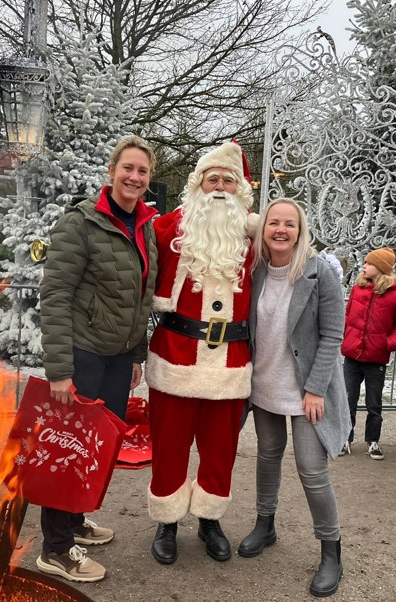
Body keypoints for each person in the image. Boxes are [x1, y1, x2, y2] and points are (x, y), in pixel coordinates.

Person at [37, 135, 158, 582]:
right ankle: (55, 549)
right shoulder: (81, 223)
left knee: (95, 448)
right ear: (112, 171)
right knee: (67, 449)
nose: (134, 177)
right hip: (83, 354)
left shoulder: (144, 226)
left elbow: (141, 296)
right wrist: (60, 371)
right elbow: (55, 295)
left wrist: (136, 354)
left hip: (118, 358)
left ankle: (72, 522)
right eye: (128, 168)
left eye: (142, 171)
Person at [146, 141, 256, 564]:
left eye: (228, 180)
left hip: (230, 363)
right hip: (175, 356)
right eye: (213, 179)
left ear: (239, 189)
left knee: (220, 451)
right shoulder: (167, 228)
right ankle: (168, 521)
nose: (220, 187)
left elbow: (296, 253)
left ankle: (210, 520)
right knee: (169, 446)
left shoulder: (255, 236)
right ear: (198, 184)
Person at [238, 198, 351, 598]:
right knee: (268, 455)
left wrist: (316, 388)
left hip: (306, 390)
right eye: (274, 223)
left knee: (311, 469)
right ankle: (265, 524)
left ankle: (331, 551)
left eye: (290, 223)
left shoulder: (320, 272)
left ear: (301, 230)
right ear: (263, 228)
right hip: (265, 384)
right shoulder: (255, 271)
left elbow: (333, 335)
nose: (281, 230)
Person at [340, 247, 396, 460]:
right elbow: (348, 315)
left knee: (374, 402)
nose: (364, 266)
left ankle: (373, 441)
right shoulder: (358, 288)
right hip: (352, 355)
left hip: (376, 357)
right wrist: (346, 336)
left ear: (380, 268)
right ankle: (345, 439)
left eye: (369, 263)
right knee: (347, 399)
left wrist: (388, 344)